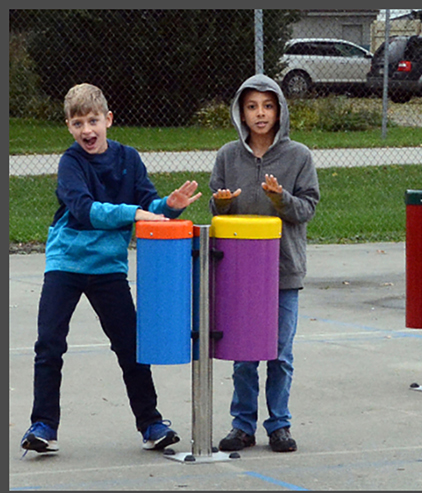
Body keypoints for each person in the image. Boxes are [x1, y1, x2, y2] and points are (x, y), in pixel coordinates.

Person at [21, 83, 202, 455]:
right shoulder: (71, 163)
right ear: (69, 127)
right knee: (49, 344)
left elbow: (146, 204)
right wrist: (133, 212)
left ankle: (151, 423)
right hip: (66, 264)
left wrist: (169, 205)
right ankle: (43, 425)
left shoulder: (128, 158)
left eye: (93, 121)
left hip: (108, 268)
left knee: (129, 345)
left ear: (108, 120)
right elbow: (85, 210)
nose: (86, 130)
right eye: (77, 123)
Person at [209, 74, 320, 454]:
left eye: (268, 106)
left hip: (282, 270)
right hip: (240, 272)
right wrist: (222, 203)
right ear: (241, 111)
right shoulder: (228, 155)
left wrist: (280, 198)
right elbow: (215, 204)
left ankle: (279, 425)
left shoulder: (298, 156)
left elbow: (307, 208)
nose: (260, 114)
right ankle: (242, 425)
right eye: (252, 106)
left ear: (280, 111)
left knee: (279, 353)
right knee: (243, 354)